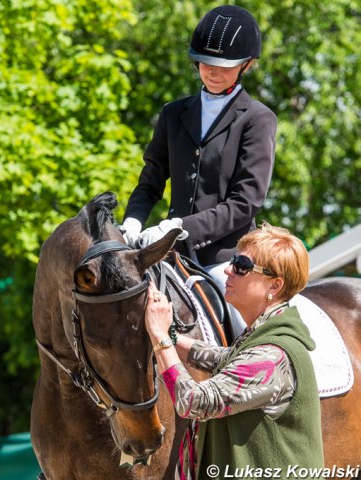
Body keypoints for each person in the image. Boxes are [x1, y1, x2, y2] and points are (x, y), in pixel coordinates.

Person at [122, 5, 277, 337]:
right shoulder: (173, 114)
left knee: (252, 334)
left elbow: (245, 203)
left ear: (247, 65)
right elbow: (151, 180)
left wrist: (179, 226)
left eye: (224, 66)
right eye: (206, 63)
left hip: (225, 260)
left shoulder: (257, 119)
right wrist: (132, 221)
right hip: (171, 257)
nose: (212, 72)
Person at [145, 222, 324, 480]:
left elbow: (193, 402)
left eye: (242, 266)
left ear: (274, 286)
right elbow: (220, 357)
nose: (229, 269)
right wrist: (168, 334)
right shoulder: (261, 335)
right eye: (233, 262)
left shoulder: (272, 355)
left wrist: (160, 337)